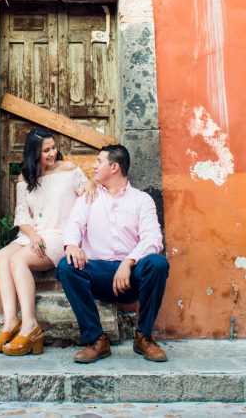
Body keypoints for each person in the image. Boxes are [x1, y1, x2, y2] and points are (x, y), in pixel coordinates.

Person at [56, 144, 170, 363]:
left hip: (132, 274)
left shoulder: (141, 200)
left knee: (157, 263)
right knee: (66, 266)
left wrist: (128, 262)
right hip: (98, 273)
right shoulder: (89, 197)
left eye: (99, 161)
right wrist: (71, 245)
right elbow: (74, 225)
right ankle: (96, 340)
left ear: (114, 167)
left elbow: (153, 239)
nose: (94, 165)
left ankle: (144, 337)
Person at [0, 127, 93, 356]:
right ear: (33, 152)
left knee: (18, 260)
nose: (52, 153)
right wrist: (34, 236)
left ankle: (30, 325)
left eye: (53, 147)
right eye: (46, 150)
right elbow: (22, 214)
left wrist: (91, 184)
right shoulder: (25, 177)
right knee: (2, 256)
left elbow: (87, 193)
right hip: (33, 233)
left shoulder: (68, 169)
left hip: (59, 233)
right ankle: (9, 322)